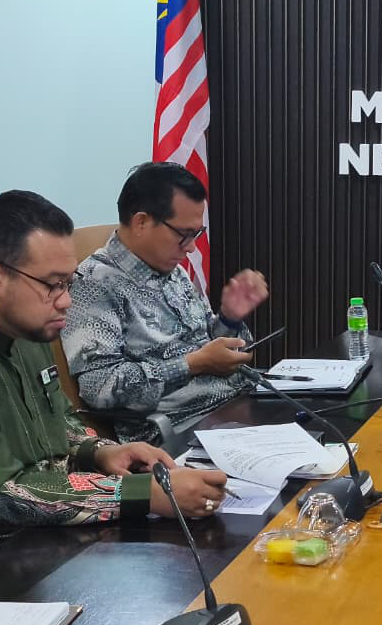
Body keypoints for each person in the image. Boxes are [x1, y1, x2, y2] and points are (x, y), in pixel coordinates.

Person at [0, 189, 228, 582]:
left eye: (68, 283)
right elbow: (4, 496)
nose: (66, 301)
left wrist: (101, 451)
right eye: (54, 285)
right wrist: (148, 494)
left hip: (28, 533)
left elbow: (58, 416)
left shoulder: (24, 322)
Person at [63, 161, 271, 436]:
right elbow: (100, 387)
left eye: (197, 234)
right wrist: (192, 365)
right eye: (184, 234)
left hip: (231, 405)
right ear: (141, 222)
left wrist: (229, 319)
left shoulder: (172, 269)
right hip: (178, 429)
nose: (191, 247)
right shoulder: (94, 285)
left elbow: (207, 349)